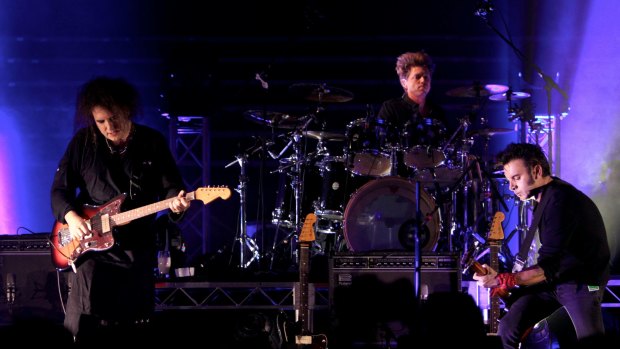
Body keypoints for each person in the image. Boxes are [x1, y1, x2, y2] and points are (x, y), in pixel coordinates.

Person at [50, 76, 190, 344]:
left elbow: (173, 189)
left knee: (132, 326)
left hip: (135, 250)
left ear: (128, 110)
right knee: (87, 323)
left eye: (113, 118)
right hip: (90, 251)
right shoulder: (83, 142)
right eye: (100, 121)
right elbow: (59, 191)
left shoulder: (151, 142)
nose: (108, 127)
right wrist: (72, 217)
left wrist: (177, 203)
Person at [473, 143, 610, 348]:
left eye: (516, 178)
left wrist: (506, 279)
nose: (511, 186)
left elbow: (547, 268)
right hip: (556, 280)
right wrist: (506, 278)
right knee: (509, 326)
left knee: (591, 342)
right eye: (509, 180)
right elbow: (550, 266)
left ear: (536, 170)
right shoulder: (544, 198)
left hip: (583, 282)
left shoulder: (561, 202)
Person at [376, 50, 449, 178]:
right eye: (418, 76)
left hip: (433, 178)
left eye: (426, 77)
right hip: (399, 177)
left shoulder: (437, 112)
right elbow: (381, 144)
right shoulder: (391, 108)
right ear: (404, 82)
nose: (423, 80)